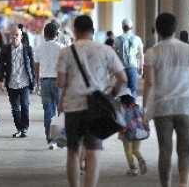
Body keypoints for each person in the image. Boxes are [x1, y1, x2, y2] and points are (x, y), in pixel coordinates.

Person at [56, 15, 127, 187]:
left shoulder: (66, 52)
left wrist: (61, 102)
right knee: (93, 154)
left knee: (73, 153)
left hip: (73, 108)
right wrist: (111, 95)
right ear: (92, 30)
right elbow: (122, 77)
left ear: (75, 31)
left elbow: (61, 83)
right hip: (97, 109)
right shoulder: (105, 50)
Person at [143, 13, 189, 187]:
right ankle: (183, 185)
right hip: (186, 106)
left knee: (164, 150)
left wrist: (144, 110)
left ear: (158, 29)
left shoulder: (152, 52)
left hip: (162, 107)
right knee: (185, 151)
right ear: (175, 28)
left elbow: (149, 83)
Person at [0, 26, 36, 138]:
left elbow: (33, 67)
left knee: (24, 105)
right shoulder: (5, 49)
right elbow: (0, 66)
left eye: (17, 35)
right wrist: (1, 80)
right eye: (13, 35)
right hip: (11, 82)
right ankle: (19, 128)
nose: (14, 37)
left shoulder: (28, 49)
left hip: (24, 82)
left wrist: (34, 81)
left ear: (21, 37)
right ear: (10, 36)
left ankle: (24, 128)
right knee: (15, 107)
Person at [34, 22, 64, 149]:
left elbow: (36, 68)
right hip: (58, 82)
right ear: (57, 34)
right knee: (60, 111)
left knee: (48, 112)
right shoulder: (62, 48)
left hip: (44, 81)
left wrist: (37, 83)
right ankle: (60, 138)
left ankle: (51, 140)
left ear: (44, 34)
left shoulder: (39, 48)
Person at [113, 18, 144, 102]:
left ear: (122, 27)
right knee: (133, 89)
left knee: (123, 91)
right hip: (133, 67)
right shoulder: (137, 39)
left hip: (121, 68)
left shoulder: (117, 39)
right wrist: (141, 67)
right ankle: (133, 110)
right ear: (132, 27)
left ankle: (124, 110)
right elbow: (141, 55)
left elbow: (114, 55)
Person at [118, 90, 147, 176]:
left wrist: (121, 133)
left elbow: (120, 122)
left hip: (127, 132)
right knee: (136, 150)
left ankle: (133, 168)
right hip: (138, 132)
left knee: (128, 151)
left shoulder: (123, 109)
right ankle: (140, 158)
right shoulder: (137, 107)